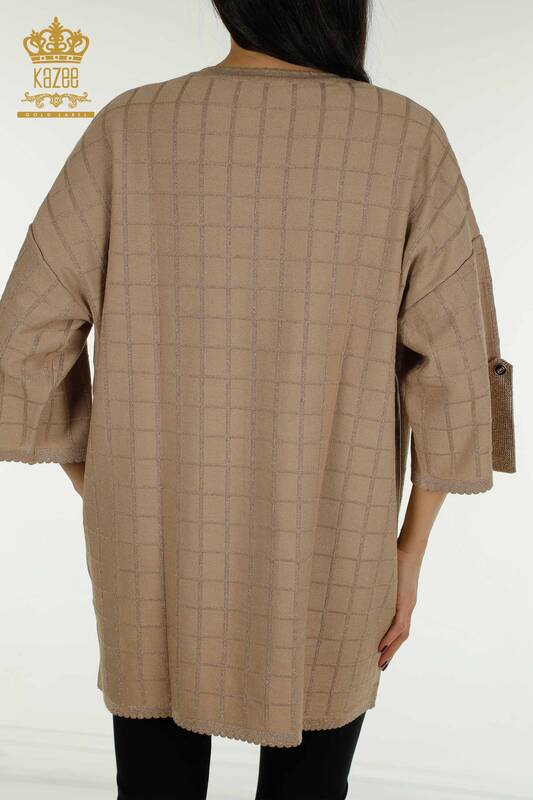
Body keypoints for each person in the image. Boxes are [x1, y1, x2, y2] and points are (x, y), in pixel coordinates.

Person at [0, 0, 516, 798]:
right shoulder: (404, 136)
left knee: (154, 782)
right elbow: (452, 365)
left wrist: (99, 479)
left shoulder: (130, 126)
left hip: (150, 533)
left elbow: (25, 334)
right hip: (338, 531)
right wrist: (406, 553)